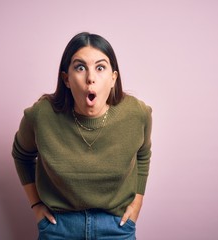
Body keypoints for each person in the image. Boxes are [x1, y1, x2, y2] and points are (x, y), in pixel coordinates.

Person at [12, 32, 152, 240]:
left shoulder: (137, 114)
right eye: (80, 67)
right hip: (59, 227)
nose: (90, 78)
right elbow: (21, 155)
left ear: (113, 78)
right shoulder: (41, 115)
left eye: (100, 67)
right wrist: (36, 205)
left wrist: (138, 201)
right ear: (66, 79)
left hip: (116, 226)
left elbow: (143, 154)